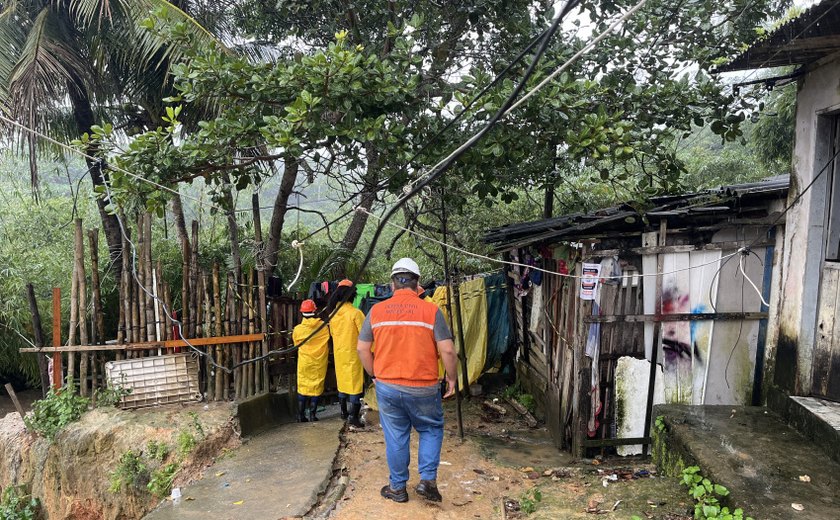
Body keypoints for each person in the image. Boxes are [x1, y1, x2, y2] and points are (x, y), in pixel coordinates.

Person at [357, 258, 458, 504]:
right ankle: (427, 482)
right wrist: (451, 378)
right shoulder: (431, 311)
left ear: (392, 284)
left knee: (396, 435)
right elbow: (447, 351)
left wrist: (375, 375)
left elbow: (362, 349)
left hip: (388, 386)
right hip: (424, 387)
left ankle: (397, 488)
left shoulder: (376, 312)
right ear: (417, 284)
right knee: (431, 428)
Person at [323, 279, 366, 427]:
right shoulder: (356, 313)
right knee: (354, 385)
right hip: (353, 354)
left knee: (342, 383)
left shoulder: (332, 314)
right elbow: (365, 335)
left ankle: (343, 412)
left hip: (339, 354)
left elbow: (333, 334)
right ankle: (353, 417)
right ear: (352, 295)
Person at [293, 299, 330, 422]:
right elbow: (327, 341)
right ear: (315, 311)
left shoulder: (297, 329)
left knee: (303, 386)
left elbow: (296, 344)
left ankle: (300, 416)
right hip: (319, 363)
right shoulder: (323, 327)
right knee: (317, 386)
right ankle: (313, 415)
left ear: (302, 312)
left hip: (304, 362)